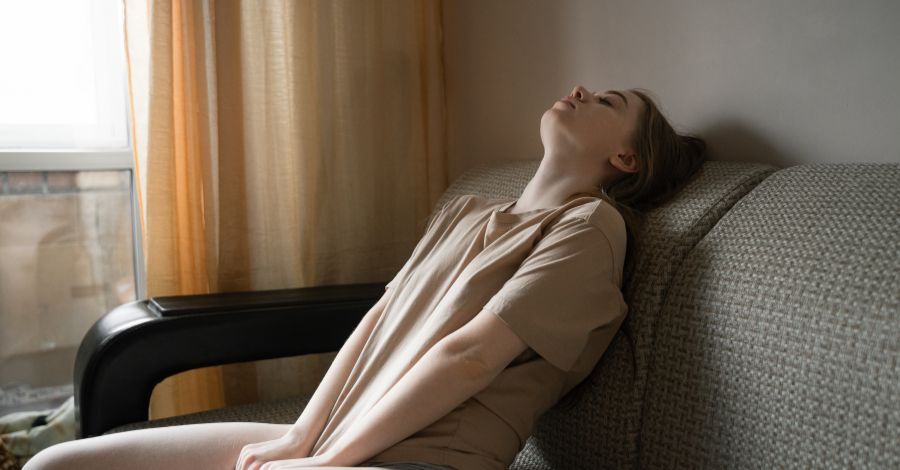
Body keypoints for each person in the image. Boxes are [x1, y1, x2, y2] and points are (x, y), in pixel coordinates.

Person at [22, 85, 706, 470]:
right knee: (54, 468)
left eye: (610, 100)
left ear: (625, 157)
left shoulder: (590, 230)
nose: (581, 89)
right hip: (342, 439)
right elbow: (377, 324)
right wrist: (301, 438)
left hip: (423, 461)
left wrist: (330, 462)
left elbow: (469, 360)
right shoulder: (469, 209)